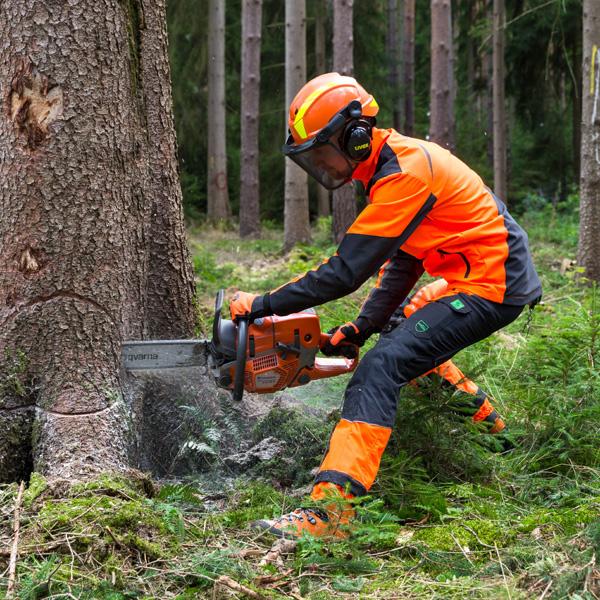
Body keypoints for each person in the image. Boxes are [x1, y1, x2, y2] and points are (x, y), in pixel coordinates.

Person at [229, 73, 542, 539]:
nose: (322, 165)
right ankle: (498, 437)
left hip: (491, 284)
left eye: (322, 152)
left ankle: (330, 514)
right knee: (402, 334)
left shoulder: (406, 173)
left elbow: (343, 272)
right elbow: (405, 263)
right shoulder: (391, 169)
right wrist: (360, 327)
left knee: (383, 366)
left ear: (355, 136)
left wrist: (262, 303)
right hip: (474, 276)